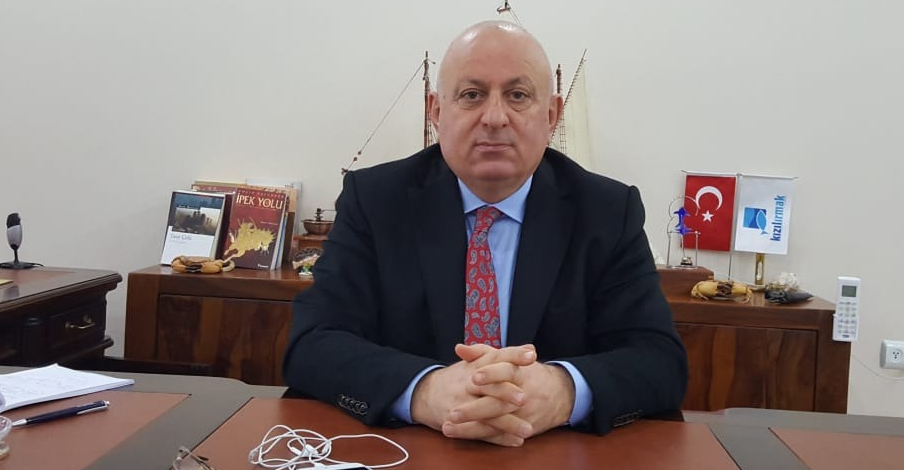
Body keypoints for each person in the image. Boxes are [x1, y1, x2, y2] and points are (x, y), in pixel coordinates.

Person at [283, 20, 686, 447]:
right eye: (472, 95)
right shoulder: (375, 200)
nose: (494, 118)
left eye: (518, 95)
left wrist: (563, 391)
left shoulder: (607, 211)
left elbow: (660, 360)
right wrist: (423, 390)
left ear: (551, 115)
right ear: (437, 112)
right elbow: (312, 342)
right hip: (408, 452)